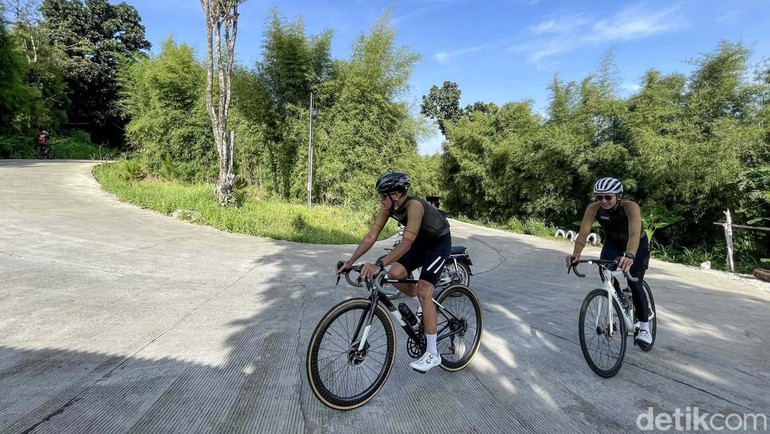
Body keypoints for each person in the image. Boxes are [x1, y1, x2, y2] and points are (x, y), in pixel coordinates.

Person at [337, 172, 451, 372]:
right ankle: (424, 305)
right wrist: (350, 261)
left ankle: (433, 353)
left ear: (396, 195)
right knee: (395, 274)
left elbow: (406, 243)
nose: (381, 200)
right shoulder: (388, 207)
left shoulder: (414, 206)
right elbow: (372, 235)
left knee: (424, 290)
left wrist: (379, 264)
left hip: (438, 243)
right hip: (420, 242)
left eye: (383, 196)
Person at [566, 177, 653, 347]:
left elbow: (634, 234)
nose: (603, 201)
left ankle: (644, 328)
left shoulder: (630, 207)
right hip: (613, 242)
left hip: (636, 244)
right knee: (605, 270)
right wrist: (575, 255)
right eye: (599, 197)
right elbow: (584, 232)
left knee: (635, 283)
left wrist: (629, 256)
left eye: (608, 197)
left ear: (619, 196)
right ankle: (619, 300)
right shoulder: (593, 208)